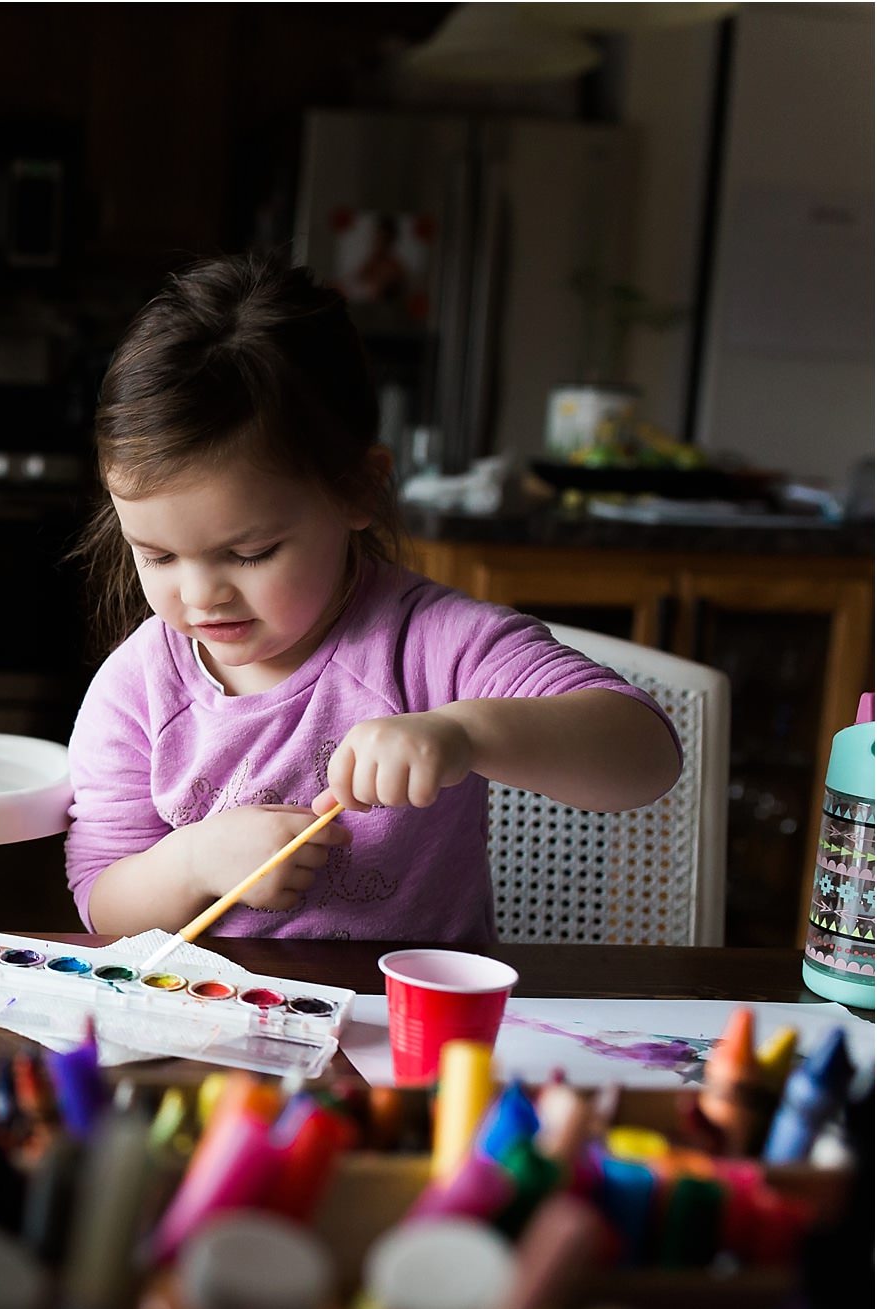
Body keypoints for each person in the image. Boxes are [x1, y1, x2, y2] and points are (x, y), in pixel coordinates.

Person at [66, 255, 680, 942]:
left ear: (360, 489)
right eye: (158, 556)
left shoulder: (432, 645)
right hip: (212, 1028)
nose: (201, 594)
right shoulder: (138, 689)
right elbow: (99, 900)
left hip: (411, 1033)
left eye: (249, 553)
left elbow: (645, 755)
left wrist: (465, 733)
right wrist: (192, 865)